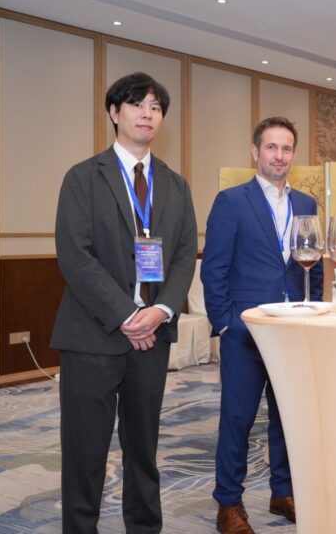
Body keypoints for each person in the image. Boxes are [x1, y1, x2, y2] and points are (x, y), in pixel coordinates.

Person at [51, 72, 197, 533]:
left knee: (144, 449)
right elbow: (76, 256)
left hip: (153, 337)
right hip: (93, 336)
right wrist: (128, 314)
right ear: (114, 113)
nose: (147, 114)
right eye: (136, 104)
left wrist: (161, 311)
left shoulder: (175, 185)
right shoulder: (83, 177)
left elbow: (183, 256)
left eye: (155, 107)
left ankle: (145, 527)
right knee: (85, 451)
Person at [201, 116, 323, 533]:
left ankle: (282, 492)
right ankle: (228, 503)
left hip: (294, 331)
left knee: (288, 417)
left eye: (286, 148)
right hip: (246, 332)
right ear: (255, 152)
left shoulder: (306, 204)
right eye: (271, 147)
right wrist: (226, 324)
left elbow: (313, 267)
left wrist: (314, 312)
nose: (279, 155)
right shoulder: (232, 201)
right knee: (237, 419)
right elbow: (213, 269)